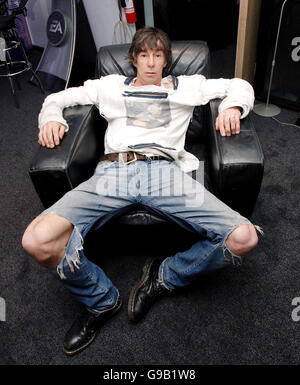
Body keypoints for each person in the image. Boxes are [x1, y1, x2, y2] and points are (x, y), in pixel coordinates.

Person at [22, 27, 261, 356]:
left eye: (159, 55)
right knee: (37, 240)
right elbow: (58, 98)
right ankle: (102, 301)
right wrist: (51, 119)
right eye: (144, 55)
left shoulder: (187, 86)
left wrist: (232, 107)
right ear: (133, 60)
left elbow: (239, 85)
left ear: (166, 60)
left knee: (244, 238)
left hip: (166, 172)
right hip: (111, 172)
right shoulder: (109, 87)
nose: (151, 63)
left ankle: (164, 276)